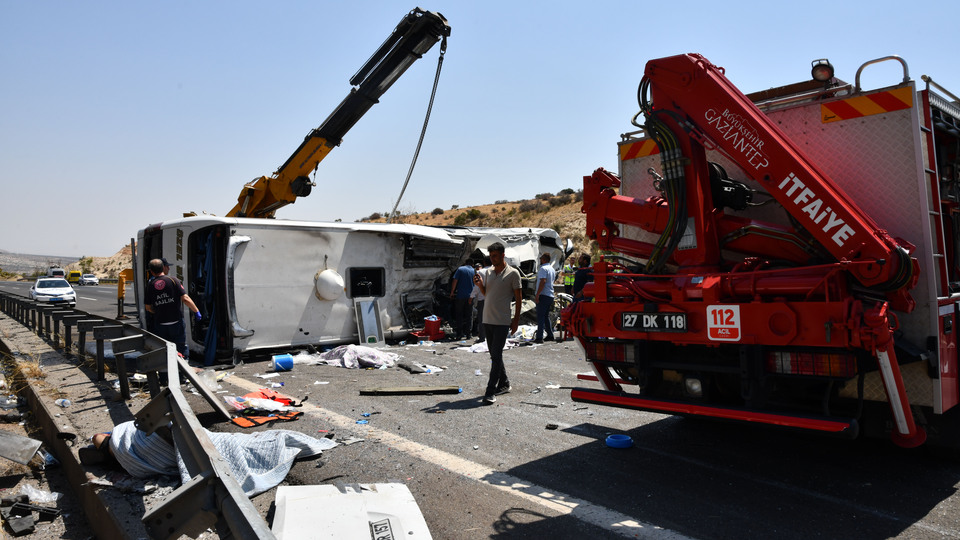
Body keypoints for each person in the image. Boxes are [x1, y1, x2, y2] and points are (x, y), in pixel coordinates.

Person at [473, 242, 521, 404]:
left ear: (502, 254)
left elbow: (519, 299)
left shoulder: (513, 274)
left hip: (502, 321)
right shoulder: (488, 273)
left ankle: (490, 391)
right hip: (487, 319)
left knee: (496, 356)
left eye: (495, 256)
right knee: (495, 355)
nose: (492, 259)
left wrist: (515, 320)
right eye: (491, 256)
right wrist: (479, 284)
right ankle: (505, 383)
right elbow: (487, 294)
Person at [144, 258, 201, 359]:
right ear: (163, 268)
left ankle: (166, 373)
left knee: (164, 350)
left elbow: (148, 307)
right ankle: (182, 372)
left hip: (160, 324)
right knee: (181, 348)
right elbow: (185, 298)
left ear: (152, 272)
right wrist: (196, 311)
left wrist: (158, 311)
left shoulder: (150, 285)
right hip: (176, 323)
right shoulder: (173, 280)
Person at [533, 253, 557, 343]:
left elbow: (543, 281)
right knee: (545, 316)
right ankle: (550, 335)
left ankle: (539, 337)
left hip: (543, 295)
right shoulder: (552, 269)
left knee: (540, 317)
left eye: (541, 258)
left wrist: (537, 294)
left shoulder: (543, 269)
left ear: (544, 260)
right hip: (550, 295)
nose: (540, 260)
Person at [449, 262, 475, 341]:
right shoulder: (474, 271)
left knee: (459, 315)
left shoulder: (460, 269)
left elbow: (455, 280)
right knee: (469, 315)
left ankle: (459, 334)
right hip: (470, 296)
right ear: (472, 265)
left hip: (460, 296)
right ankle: (468, 334)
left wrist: (452, 292)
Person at [470, 260, 490, 343]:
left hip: (482, 299)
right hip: (493, 299)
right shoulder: (496, 271)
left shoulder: (480, 272)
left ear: (484, 263)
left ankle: (482, 337)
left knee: (482, 318)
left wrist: (471, 296)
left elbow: (477, 286)